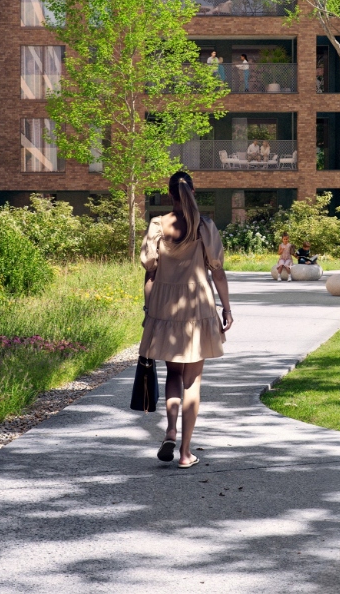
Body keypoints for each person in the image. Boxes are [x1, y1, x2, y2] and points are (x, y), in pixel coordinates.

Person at [139, 169, 232, 469]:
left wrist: (148, 311)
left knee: (174, 376)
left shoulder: (157, 224)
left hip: (166, 309)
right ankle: (185, 452)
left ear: (169, 194)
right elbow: (217, 271)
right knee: (192, 381)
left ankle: (170, 430)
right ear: (193, 192)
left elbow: (150, 272)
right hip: (198, 307)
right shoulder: (204, 226)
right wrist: (226, 308)